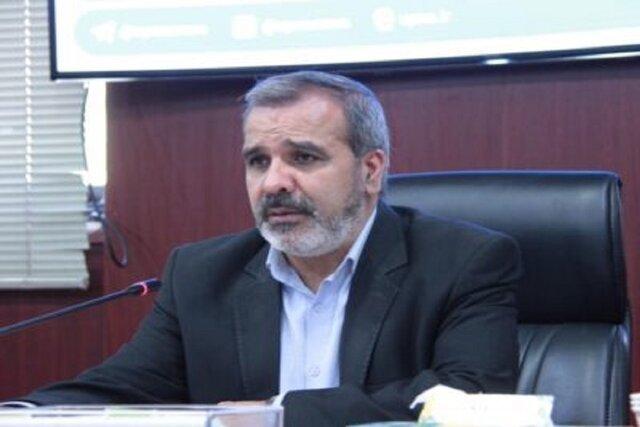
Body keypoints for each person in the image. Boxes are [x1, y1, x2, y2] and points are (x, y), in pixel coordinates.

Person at [10, 71, 522, 426]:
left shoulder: (463, 262)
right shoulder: (202, 274)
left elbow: (471, 398)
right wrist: (20, 415)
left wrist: (277, 415)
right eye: (258, 161)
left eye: (303, 157)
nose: (274, 182)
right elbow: (122, 387)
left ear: (371, 170)